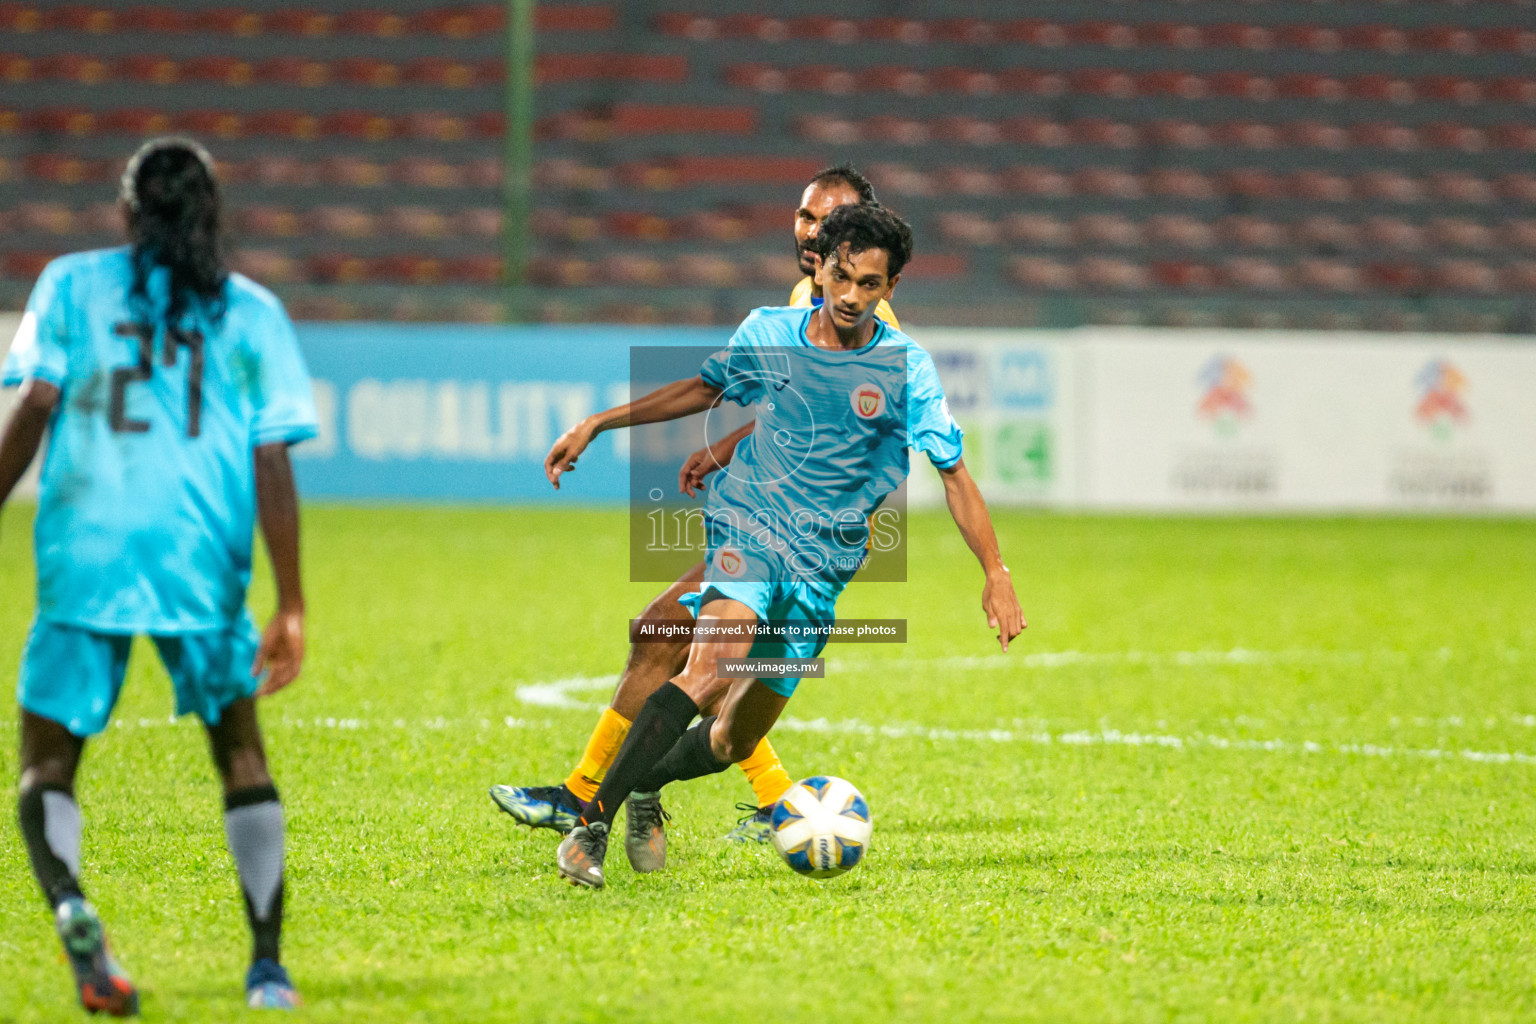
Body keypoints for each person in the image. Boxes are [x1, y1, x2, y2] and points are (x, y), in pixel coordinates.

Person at [541, 204, 1025, 888]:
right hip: (751, 530)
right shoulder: (770, 331)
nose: (853, 295)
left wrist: (995, 571)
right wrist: (599, 422)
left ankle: (644, 783)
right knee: (707, 672)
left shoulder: (906, 369)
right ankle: (591, 827)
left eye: (872, 284)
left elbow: (954, 475)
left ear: (891, 291)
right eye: (844, 275)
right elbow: (702, 389)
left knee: (729, 738)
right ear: (821, 267)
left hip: (821, 571)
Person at [489, 164, 901, 849]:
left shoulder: (864, 310)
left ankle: (590, 797)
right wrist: (732, 444)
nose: (811, 230)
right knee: (685, 649)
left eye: (829, 219)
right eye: (805, 215)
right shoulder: (811, 293)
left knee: (692, 655)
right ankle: (738, 797)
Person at [0, 137, 317, 1013]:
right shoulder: (251, 311)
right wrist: (288, 600)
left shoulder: (68, 283)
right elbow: (272, 457)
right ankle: (266, 970)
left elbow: (34, 401)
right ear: (213, 214)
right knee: (240, 752)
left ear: (127, 213)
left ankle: (70, 903)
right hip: (199, 552)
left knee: (47, 762)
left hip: (85, 544)